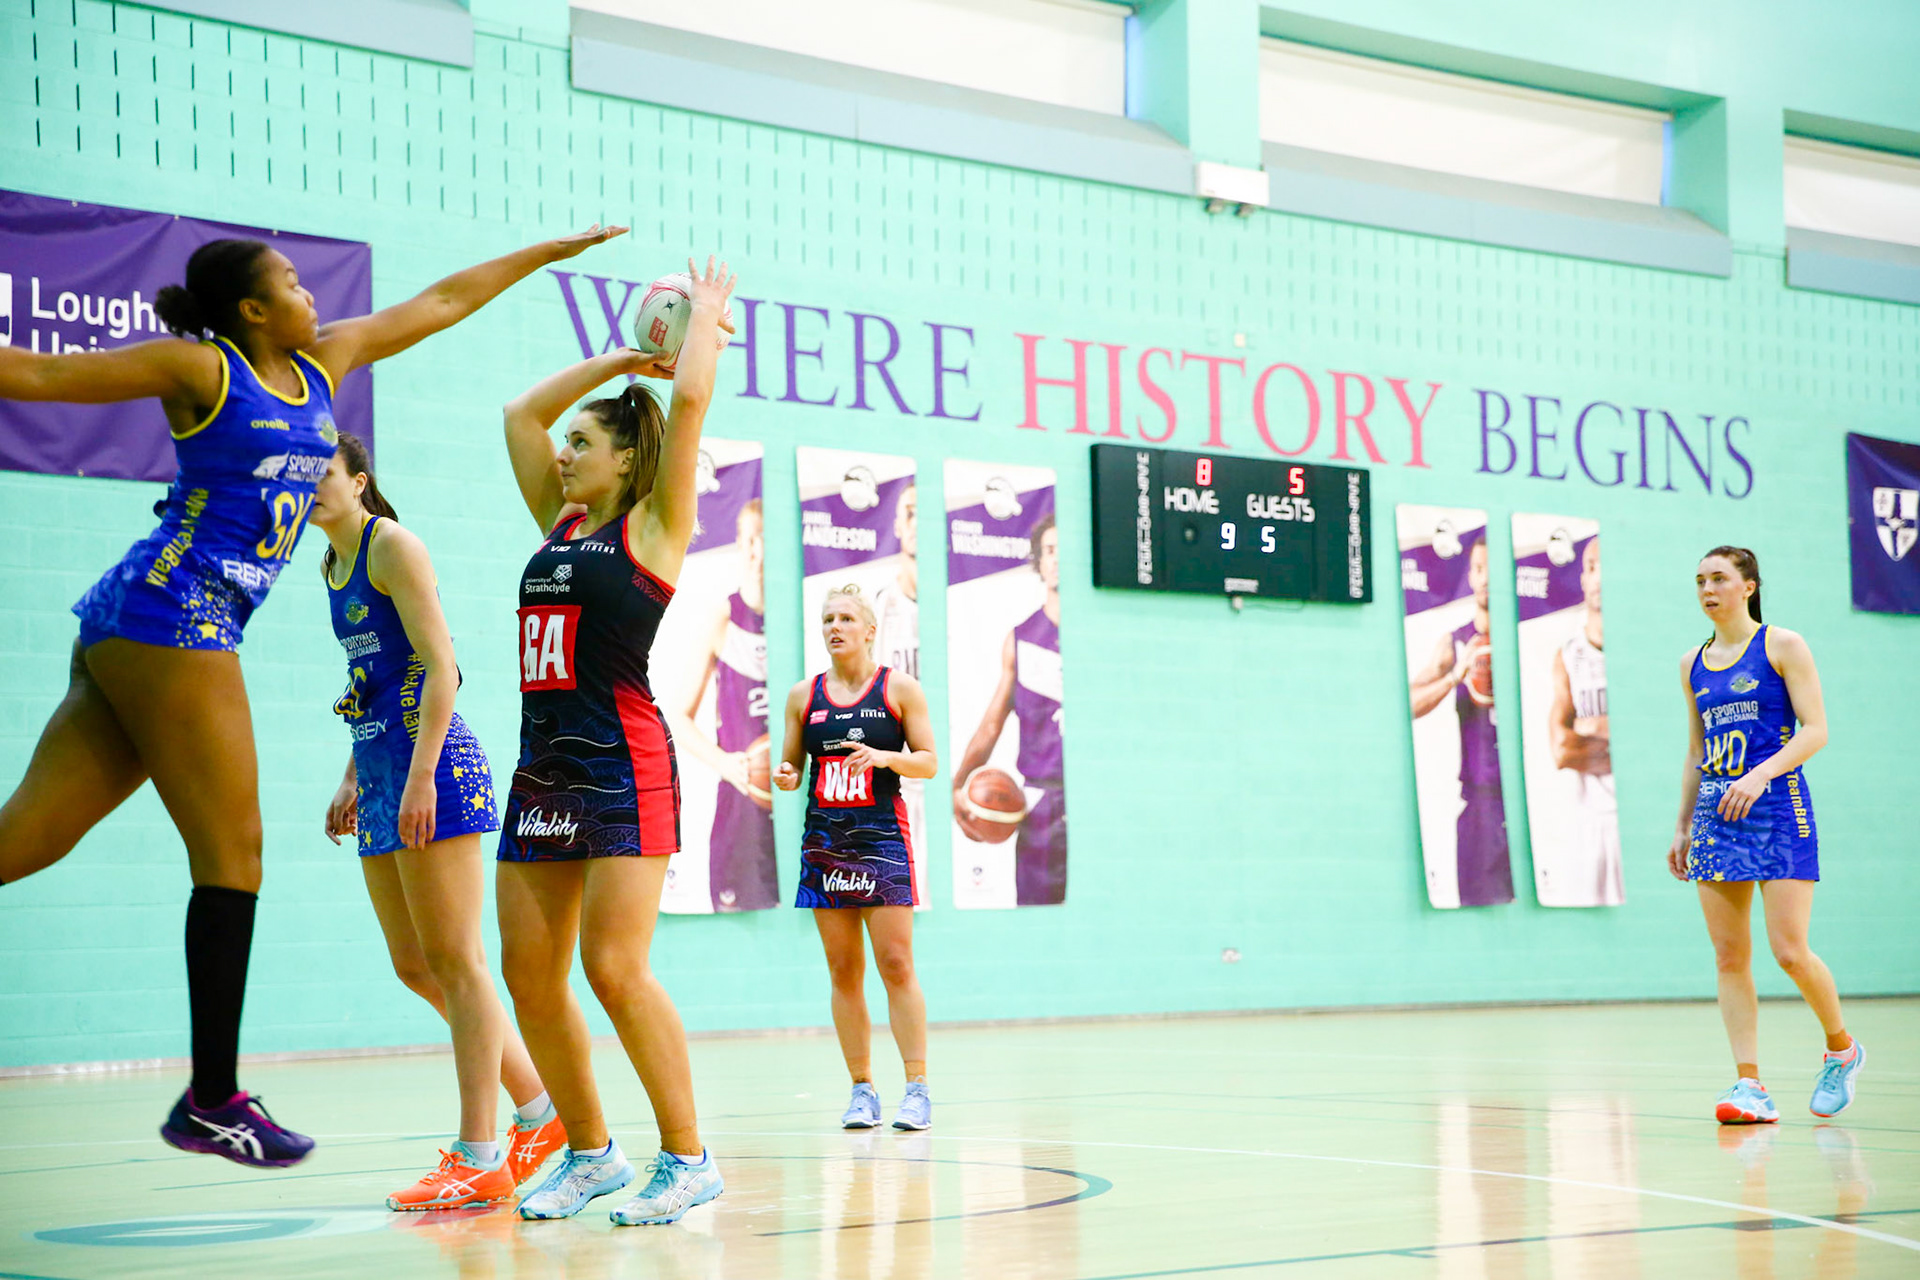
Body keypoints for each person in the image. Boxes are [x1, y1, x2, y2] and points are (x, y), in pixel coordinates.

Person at [0, 224, 623, 1167]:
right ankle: (212, 1099)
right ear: (251, 309)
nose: (310, 294)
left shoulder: (326, 365)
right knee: (235, 853)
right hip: (176, 614)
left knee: (26, 842)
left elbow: (444, 301)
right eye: (290, 282)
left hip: (139, 626)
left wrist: (546, 253)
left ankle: (230, 1101)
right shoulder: (202, 370)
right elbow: (39, 380)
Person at [495, 257, 735, 1226]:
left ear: (626, 462)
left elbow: (687, 406)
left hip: (622, 761)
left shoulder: (655, 525)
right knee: (527, 970)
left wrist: (700, 328)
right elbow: (519, 414)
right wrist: (618, 358)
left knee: (614, 966)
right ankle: (590, 1152)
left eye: (583, 440)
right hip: (541, 765)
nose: (563, 450)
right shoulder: (556, 523)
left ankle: (689, 1157)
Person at [311, 433, 566, 1208]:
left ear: (360, 481)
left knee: (458, 963)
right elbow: (376, 679)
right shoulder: (330, 564)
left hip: (436, 768)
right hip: (384, 769)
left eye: (320, 472)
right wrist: (355, 774)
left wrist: (419, 776)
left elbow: (441, 667)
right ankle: (542, 1114)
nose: (307, 486)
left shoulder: (393, 547)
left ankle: (480, 1153)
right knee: (416, 966)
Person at [1667, 546, 1861, 1124]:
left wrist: (1759, 774)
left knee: (1789, 951)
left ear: (1748, 586)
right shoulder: (1691, 664)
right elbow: (1697, 751)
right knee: (1729, 956)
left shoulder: (1782, 645)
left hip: (1776, 805)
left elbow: (1816, 730)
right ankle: (1750, 1086)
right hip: (1715, 813)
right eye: (1700, 579)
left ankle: (1841, 1049)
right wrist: (1681, 825)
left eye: (1720, 578)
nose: (1708, 588)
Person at [773, 586, 939, 1131]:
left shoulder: (899, 689)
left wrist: (887, 756)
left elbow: (929, 763)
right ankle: (861, 1090)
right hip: (825, 842)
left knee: (896, 963)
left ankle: (916, 1089)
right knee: (844, 970)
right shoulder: (804, 696)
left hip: (881, 839)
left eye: (846, 618)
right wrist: (786, 775)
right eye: (827, 619)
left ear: (870, 630)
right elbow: (791, 765)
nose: (835, 626)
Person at [664, 498, 777, 911]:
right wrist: (726, 763)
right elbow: (677, 715)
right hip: (740, 811)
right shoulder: (722, 617)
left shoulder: (798, 619)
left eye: (766, 539)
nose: (758, 551)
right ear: (739, 546)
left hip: (794, 809)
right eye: (750, 539)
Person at [951, 514, 1067, 905]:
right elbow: (991, 726)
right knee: (1040, 919)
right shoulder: (1021, 639)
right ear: (1039, 561)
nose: (1056, 559)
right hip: (1041, 806)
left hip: (1095, 800)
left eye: (1064, 551)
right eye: (1049, 551)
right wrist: (958, 783)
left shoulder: (1100, 637)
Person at [1408, 537, 1514, 906]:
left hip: (1528, 798)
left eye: (1493, 571)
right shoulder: (1455, 643)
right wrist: (1455, 676)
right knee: (1480, 907)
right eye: (1479, 569)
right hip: (1480, 802)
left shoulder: (1526, 639)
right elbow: (1407, 703)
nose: (1485, 579)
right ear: (1470, 576)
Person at [1545, 536, 1622, 906]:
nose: (1598, 578)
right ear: (1582, 578)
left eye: (1606, 567)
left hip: (1635, 815)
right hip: (1586, 820)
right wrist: (1615, 737)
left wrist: (1591, 726)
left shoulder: (1642, 653)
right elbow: (1561, 750)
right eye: (1591, 567)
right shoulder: (1567, 654)